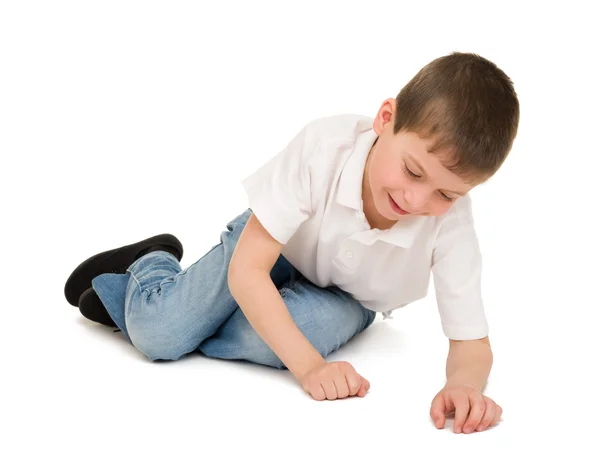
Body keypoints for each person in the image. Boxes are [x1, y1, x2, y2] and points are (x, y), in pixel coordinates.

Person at [64, 51, 519, 434]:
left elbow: (471, 343)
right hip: (271, 246)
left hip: (347, 298)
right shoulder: (325, 147)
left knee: (288, 335)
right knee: (160, 334)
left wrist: (467, 386)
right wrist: (311, 369)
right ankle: (152, 266)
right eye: (413, 171)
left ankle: (183, 311)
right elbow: (248, 270)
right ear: (386, 119)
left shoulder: (452, 222)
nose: (416, 200)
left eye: (446, 194)